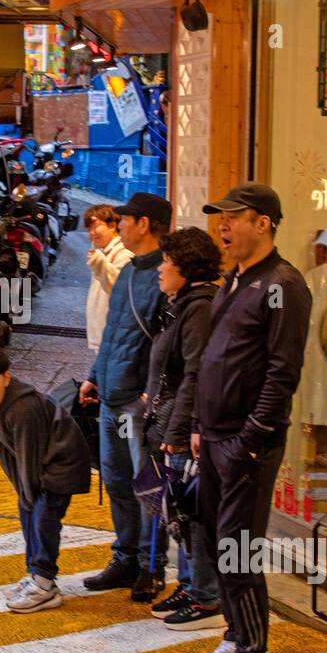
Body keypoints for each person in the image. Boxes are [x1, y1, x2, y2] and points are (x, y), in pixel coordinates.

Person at [190, 183, 312, 653]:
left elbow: (283, 373)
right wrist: (198, 424)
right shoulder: (234, 280)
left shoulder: (284, 285)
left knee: (239, 550)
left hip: (246, 442)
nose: (223, 226)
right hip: (215, 437)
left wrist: (250, 438)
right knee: (219, 544)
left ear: (263, 222)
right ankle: (236, 634)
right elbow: (215, 358)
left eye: (233, 217)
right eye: (220, 217)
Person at [79, 192, 172, 602]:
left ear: (145, 224)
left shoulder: (165, 274)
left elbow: (167, 344)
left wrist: (151, 393)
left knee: (146, 487)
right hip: (112, 392)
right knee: (117, 481)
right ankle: (126, 558)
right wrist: (93, 376)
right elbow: (114, 330)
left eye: (125, 220)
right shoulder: (131, 269)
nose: (119, 226)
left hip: (139, 399)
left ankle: (153, 567)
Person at [0, 344, 91, 613]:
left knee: (43, 518)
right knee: (28, 512)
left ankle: (44, 584)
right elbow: (5, 452)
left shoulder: (22, 409)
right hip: (37, 467)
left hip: (59, 465)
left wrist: (28, 490)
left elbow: (28, 452)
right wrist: (22, 490)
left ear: (6, 378)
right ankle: (37, 575)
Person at [142, 227, 223, 629]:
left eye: (167, 262)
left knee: (191, 511)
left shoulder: (200, 307)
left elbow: (195, 374)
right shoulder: (182, 302)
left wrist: (177, 433)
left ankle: (207, 597)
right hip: (166, 420)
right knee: (175, 507)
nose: (160, 268)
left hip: (180, 427)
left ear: (186, 268)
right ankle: (190, 585)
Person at [84, 205, 132, 352]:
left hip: (113, 338)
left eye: (96, 227)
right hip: (105, 336)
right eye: (88, 229)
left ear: (113, 225)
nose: (91, 233)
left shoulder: (124, 253)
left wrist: (98, 262)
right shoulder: (106, 252)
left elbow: (117, 288)